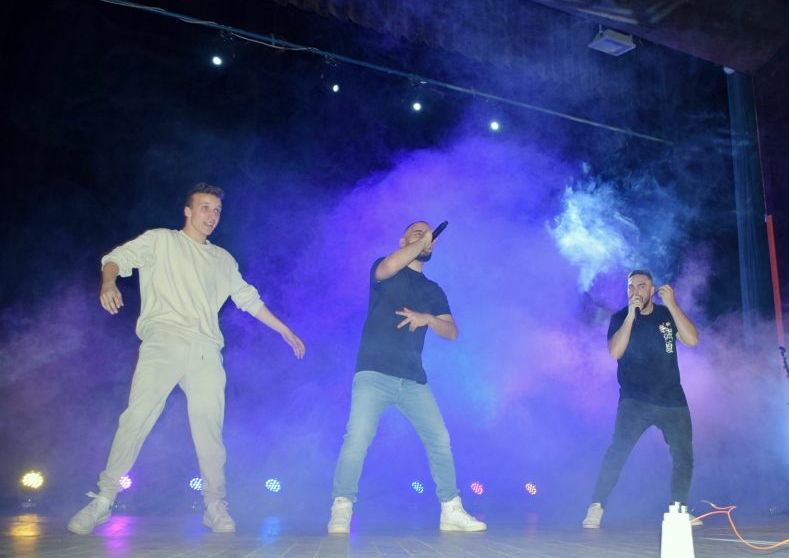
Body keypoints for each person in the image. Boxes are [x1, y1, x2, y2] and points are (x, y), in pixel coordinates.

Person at [67, 183, 305, 535]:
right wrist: (108, 283)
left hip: (206, 349)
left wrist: (284, 330)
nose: (212, 215)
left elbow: (248, 299)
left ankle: (214, 504)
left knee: (209, 428)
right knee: (137, 417)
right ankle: (103, 499)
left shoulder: (223, 260)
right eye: (205, 207)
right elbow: (116, 258)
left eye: (217, 210)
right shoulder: (161, 240)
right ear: (188, 211)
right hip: (163, 340)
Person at [327, 221, 485, 534]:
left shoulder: (433, 290)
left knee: (439, 439)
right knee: (357, 438)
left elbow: (452, 332)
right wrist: (419, 242)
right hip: (374, 372)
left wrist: (427, 319)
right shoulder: (386, 270)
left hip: (412, 380)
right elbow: (389, 266)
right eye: (417, 232)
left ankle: (451, 509)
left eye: (429, 236)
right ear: (403, 241)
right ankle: (342, 506)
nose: (426, 237)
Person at [582, 269, 700, 529]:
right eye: (631, 287)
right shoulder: (620, 317)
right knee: (618, 451)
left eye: (641, 286)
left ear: (652, 290)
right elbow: (615, 351)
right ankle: (596, 506)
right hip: (635, 399)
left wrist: (672, 304)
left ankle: (679, 509)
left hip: (671, 399)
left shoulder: (666, 314)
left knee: (684, 455)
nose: (635, 291)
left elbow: (692, 339)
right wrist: (630, 316)